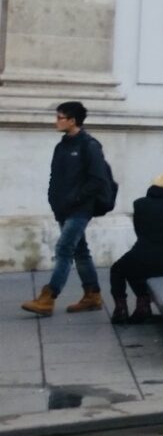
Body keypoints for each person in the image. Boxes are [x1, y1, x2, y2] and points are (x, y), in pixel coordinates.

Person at [23, 102, 113, 317]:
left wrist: (76, 198)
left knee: (64, 249)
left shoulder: (89, 145)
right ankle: (92, 295)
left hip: (81, 208)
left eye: (60, 117)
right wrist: (54, 199)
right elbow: (55, 177)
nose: (56, 121)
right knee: (80, 251)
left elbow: (98, 180)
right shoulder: (62, 146)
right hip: (63, 208)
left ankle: (48, 297)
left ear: (72, 120)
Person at [110, 174, 163, 324]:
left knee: (119, 269)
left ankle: (125, 308)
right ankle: (142, 305)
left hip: (143, 255)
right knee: (135, 267)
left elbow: (139, 231)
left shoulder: (140, 204)